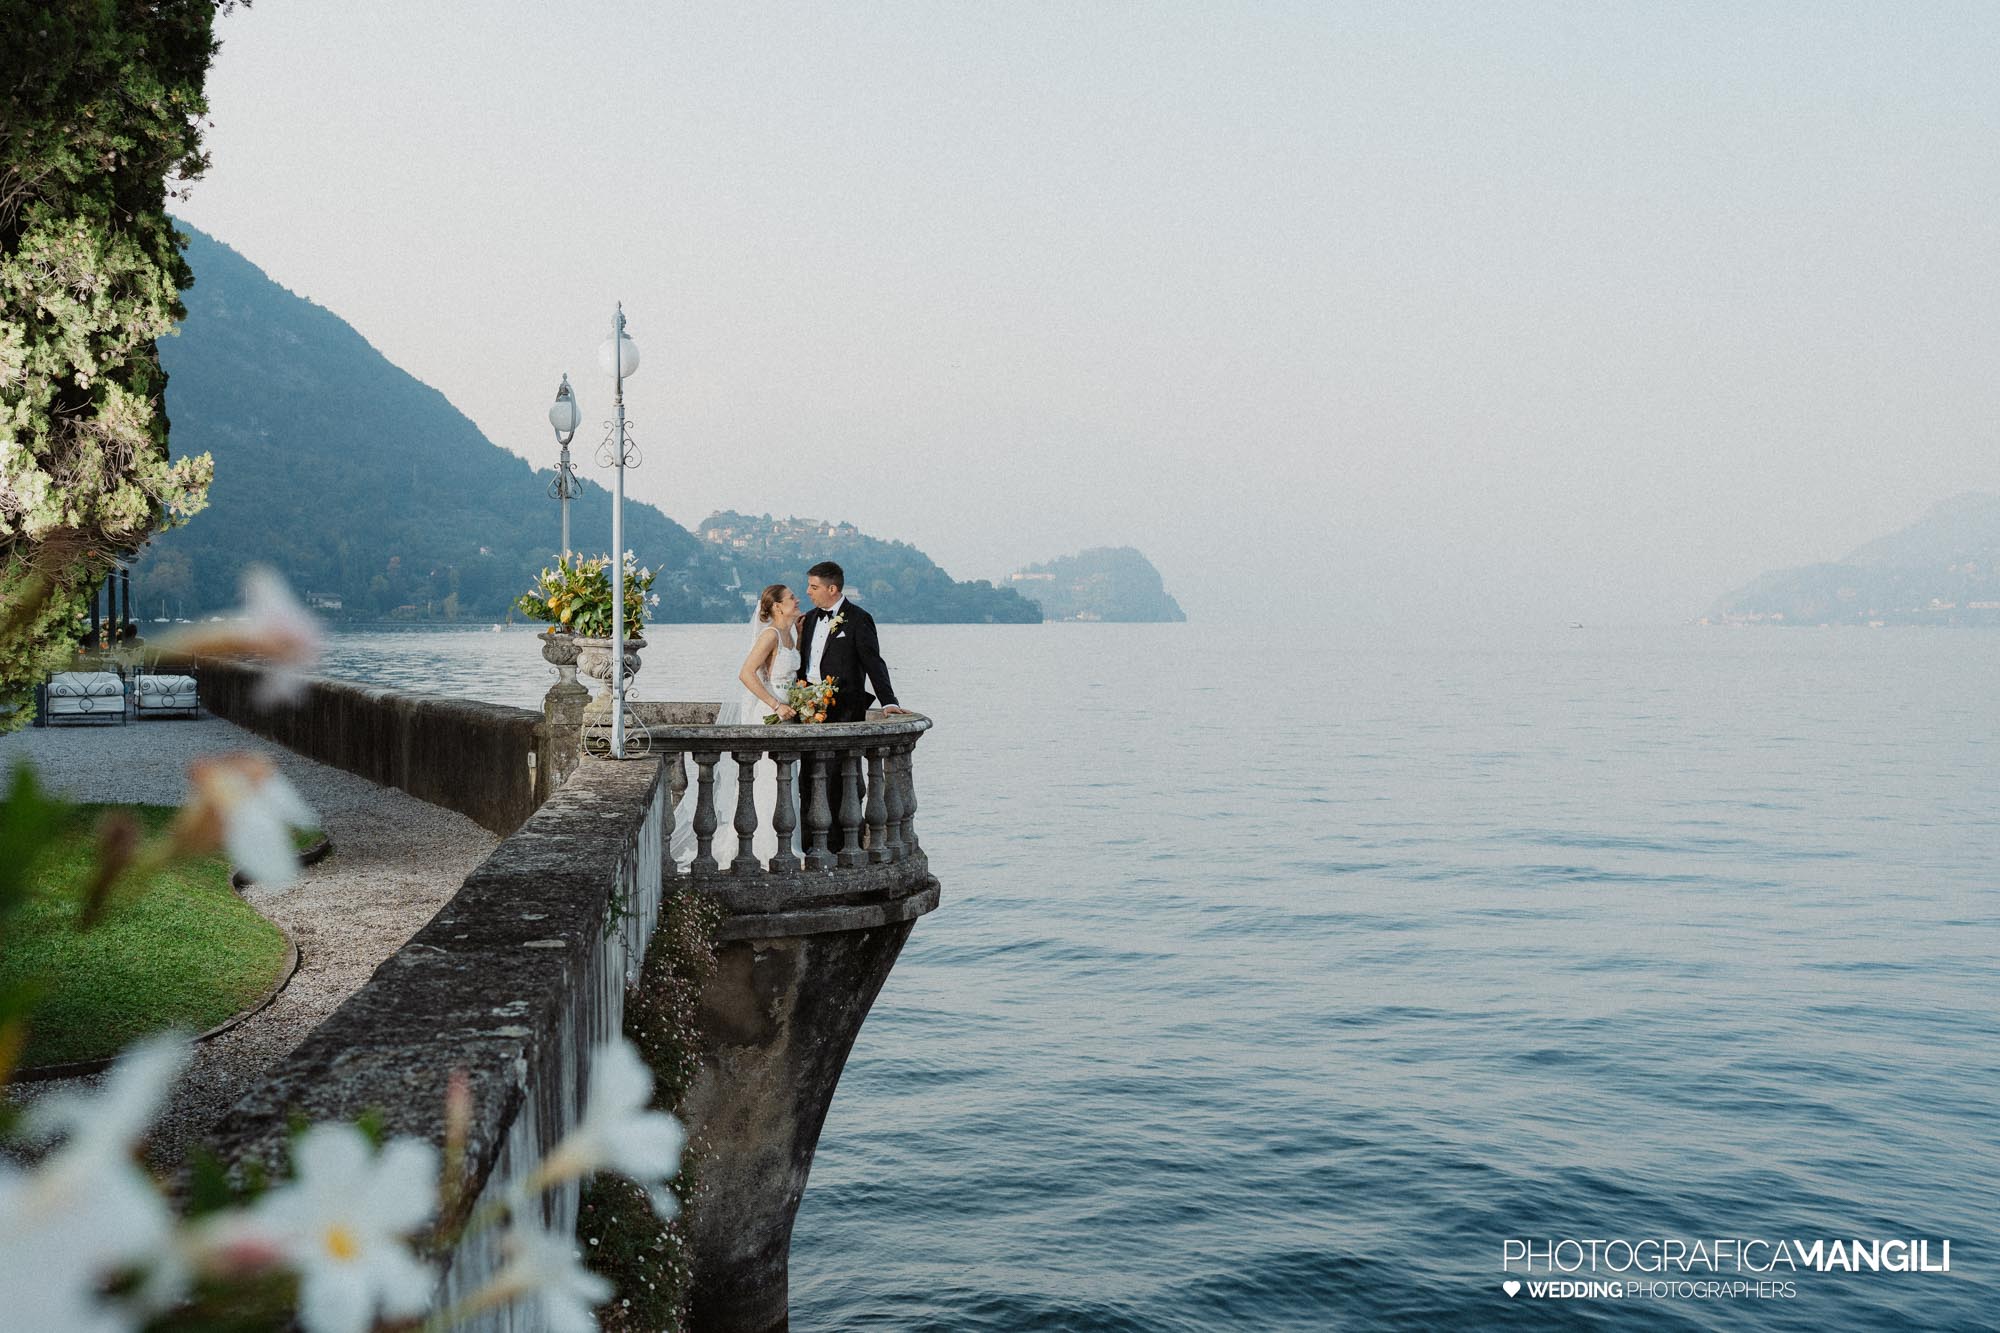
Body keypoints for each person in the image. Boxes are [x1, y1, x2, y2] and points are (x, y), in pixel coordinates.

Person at [668, 583, 804, 866]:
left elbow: (788, 670)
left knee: (784, 781)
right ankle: (763, 848)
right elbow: (746, 674)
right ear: (777, 606)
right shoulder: (769, 635)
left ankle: (784, 846)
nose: (797, 599)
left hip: (787, 719)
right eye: (792, 597)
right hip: (769, 717)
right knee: (766, 780)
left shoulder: (788, 634)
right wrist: (775, 705)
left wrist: (800, 636)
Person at [795, 561, 907, 844]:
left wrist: (889, 702)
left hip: (845, 710)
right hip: (808, 712)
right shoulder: (808, 620)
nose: (808, 591)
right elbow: (803, 666)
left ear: (832, 589)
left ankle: (843, 843)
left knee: (842, 780)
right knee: (806, 779)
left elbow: (873, 663)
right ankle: (810, 843)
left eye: (814, 586)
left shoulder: (858, 619)